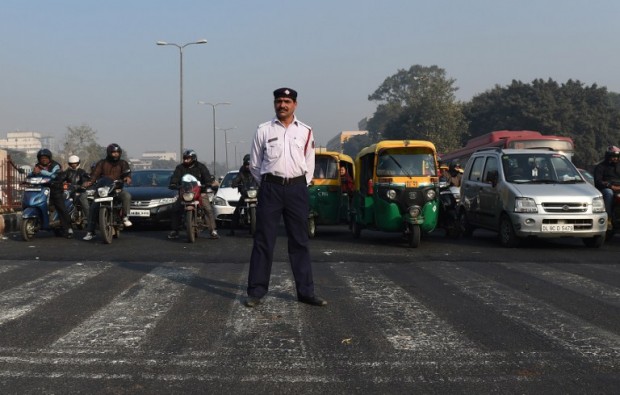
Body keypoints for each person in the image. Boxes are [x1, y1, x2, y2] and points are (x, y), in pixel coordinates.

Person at [245, 87, 326, 308]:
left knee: (300, 241)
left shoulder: (306, 131)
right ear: (274, 104)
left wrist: (300, 184)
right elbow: (254, 164)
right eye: (279, 101)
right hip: (271, 188)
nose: (282, 105)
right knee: (264, 241)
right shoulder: (263, 130)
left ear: (295, 105)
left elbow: (309, 163)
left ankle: (306, 292)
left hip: (297, 190)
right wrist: (269, 184)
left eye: (287, 101)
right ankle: (256, 291)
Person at [82, 143, 133, 241]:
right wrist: (89, 182)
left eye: (117, 152)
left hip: (116, 189)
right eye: (113, 152)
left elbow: (127, 173)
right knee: (93, 207)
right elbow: (95, 174)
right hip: (103, 190)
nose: (115, 154)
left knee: (127, 196)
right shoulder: (102, 163)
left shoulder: (123, 163)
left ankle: (125, 217)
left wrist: (127, 178)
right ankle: (90, 232)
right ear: (109, 153)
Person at [167, 149, 219, 239]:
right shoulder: (180, 168)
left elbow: (207, 176)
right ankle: (174, 230)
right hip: (185, 193)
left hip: (200, 192)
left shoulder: (201, 167)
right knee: (175, 209)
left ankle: (212, 230)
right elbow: (175, 177)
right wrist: (173, 183)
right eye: (185, 158)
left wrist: (208, 183)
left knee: (208, 209)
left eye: (188, 158)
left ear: (193, 158)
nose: (186, 160)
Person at [29, 149, 73, 238]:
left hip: (55, 189)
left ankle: (68, 228)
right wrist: (31, 174)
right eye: (42, 158)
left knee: (61, 208)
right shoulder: (37, 166)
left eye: (45, 158)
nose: (44, 160)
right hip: (41, 189)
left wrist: (41, 172)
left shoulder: (55, 165)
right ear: (39, 159)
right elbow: (33, 174)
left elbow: (54, 175)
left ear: (49, 158)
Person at [228, 154, 259, 236]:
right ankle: (232, 230)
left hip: (256, 194)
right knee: (237, 211)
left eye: (249, 164)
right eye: (246, 164)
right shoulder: (242, 172)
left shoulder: (256, 171)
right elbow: (237, 178)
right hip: (245, 194)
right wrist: (234, 183)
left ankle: (267, 229)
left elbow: (260, 178)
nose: (248, 166)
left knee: (266, 208)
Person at [594, 145, 620, 221]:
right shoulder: (601, 166)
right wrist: (610, 186)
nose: (615, 158)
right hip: (607, 188)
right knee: (609, 193)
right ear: (608, 156)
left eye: (617, 156)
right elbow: (598, 181)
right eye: (613, 156)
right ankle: (608, 218)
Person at [64, 155, 91, 224]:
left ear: (78, 163)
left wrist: (84, 184)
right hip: (70, 191)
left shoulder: (82, 172)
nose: (74, 165)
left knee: (84, 203)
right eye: (72, 163)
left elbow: (86, 178)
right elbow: (61, 179)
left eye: (75, 163)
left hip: (80, 191)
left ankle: (90, 220)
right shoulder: (67, 172)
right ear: (69, 164)